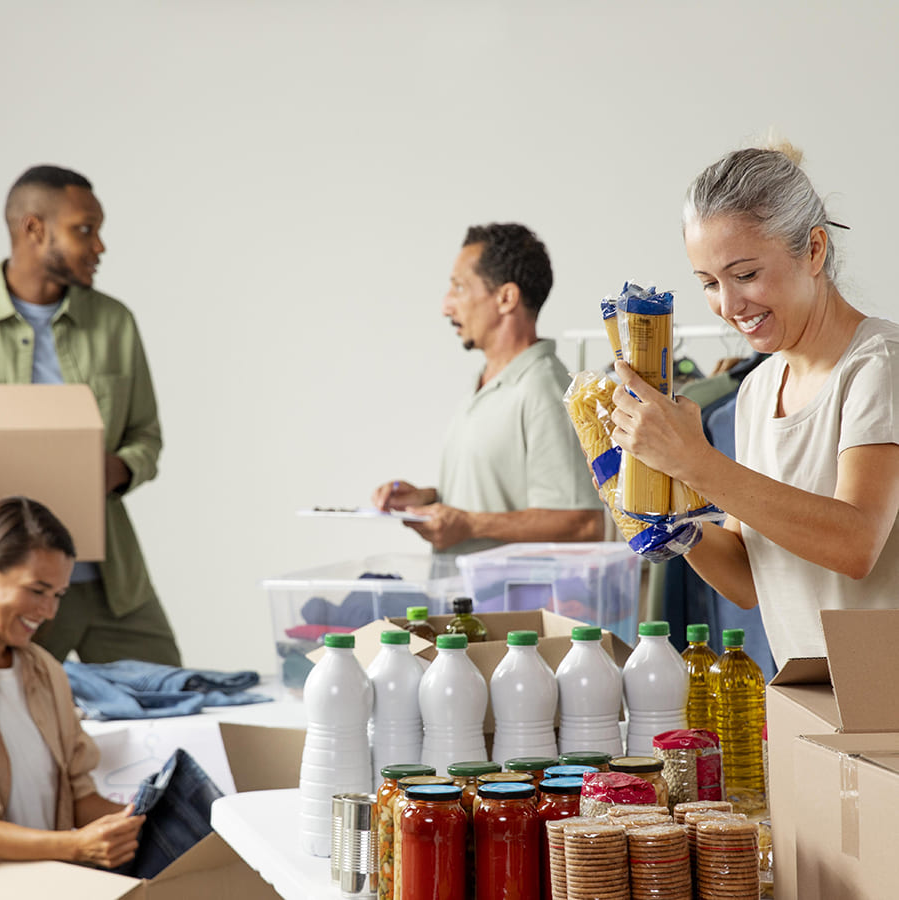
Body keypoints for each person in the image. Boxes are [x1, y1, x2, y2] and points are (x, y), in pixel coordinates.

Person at [609, 143, 899, 668]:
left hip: (885, 707)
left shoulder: (879, 367)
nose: (729, 304)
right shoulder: (756, 391)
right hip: (807, 697)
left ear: (814, 250)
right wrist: (672, 512)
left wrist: (693, 462)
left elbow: (856, 544)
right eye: (708, 284)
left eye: (745, 275)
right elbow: (748, 580)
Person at [0, 165, 181, 665]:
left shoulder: (114, 322)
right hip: (10, 585)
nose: (99, 246)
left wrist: (115, 469)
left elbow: (146, 436)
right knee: (18, 723)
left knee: (171, 700)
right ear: (33, 228)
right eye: (85, 230)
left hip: (111, 579)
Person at [372, 223, 603, 568]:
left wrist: (468, 525)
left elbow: (583, 522)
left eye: (459, 288)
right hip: (468, 611)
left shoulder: (543, 389)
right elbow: (499, 493)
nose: (446, 306)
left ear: (506, 298)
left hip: (511, 616)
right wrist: (427, 500)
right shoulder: (486, 385)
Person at [0, 496, 145, 867]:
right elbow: (75, 840)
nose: (48, 612)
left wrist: (138, 821)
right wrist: (73, 846)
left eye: (57, 595)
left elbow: (78, 797)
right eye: (37, 590)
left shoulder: (46, 673)